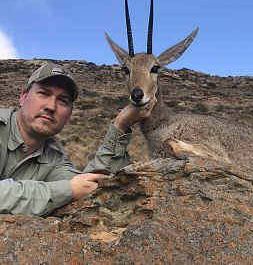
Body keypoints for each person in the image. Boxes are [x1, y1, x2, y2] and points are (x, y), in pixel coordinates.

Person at [0, 63, 154, 216]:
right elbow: (72, 189)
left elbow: (90, 186)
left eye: (63, 101)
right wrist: (67, 191)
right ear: (23, 98)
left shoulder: (54, 159)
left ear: (69, 113)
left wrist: (120, 126)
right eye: (43, 93)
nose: (51, 106)